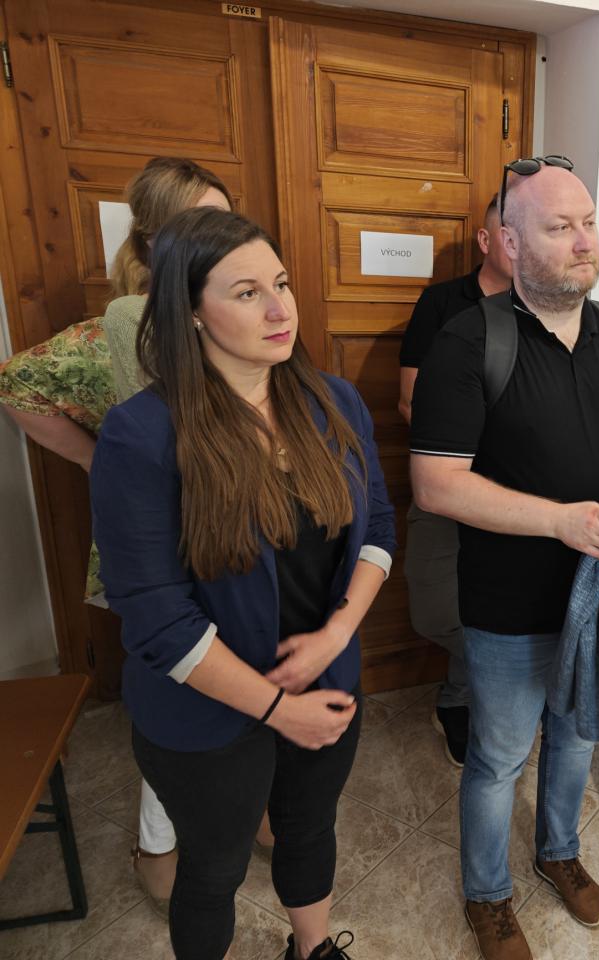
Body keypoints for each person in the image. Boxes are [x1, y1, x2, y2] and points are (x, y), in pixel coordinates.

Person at [410, 157, 599, 960]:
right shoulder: (469, 342)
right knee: (500, 757)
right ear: (509, 241)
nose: (583, 241)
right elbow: (435, 484)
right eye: (559, 227)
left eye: (589, 223)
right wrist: (558, 522)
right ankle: (488, 896)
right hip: (506, 604)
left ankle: (559, 853)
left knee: (576, 738)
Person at [91, 207, 394, 960]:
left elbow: (379, 528)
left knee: (309, 828)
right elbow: (156, 618)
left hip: (326, 680)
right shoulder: (143, 433)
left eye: (281, 285)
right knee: (216, 866)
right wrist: (279, 710)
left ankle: (313, 950)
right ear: (191, 311)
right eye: (248, 292)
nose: (280, 309)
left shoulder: (333, 401)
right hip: (204, 713)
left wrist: (337, 633)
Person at [0, 155, 237, 914]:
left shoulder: (236, 313)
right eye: (198, 223)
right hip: (157, 557)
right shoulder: (120, 330)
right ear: (155, 239)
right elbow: (17, 384)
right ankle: (156, 844)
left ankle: (250, 810)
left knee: (242, 687)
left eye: (225, 222)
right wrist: (97, 459)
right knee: (174, 702)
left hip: (233, 550)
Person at [398, 193, 513, 767]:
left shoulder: (546, 308)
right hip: (447, 487)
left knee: (510, 607)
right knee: (437, 610)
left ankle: (461, 699)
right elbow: (410, 402)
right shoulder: (443, 304)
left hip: (520, 494)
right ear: (486, 241)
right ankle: (487, 685)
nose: (522, 246)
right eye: (509, 234)